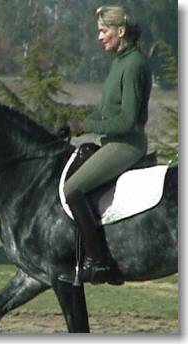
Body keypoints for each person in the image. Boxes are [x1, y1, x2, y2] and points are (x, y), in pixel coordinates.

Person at [59, 5, 152, 285]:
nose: (99, 37)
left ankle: (100, 262)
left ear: (120, 31)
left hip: (127, 145)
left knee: (72, 189)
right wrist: (75, 125)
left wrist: (88, 127)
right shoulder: (119, 62)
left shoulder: (134, 64)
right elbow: (106, 112)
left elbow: (126, 121)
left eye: (103, 31)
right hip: (112, 142)